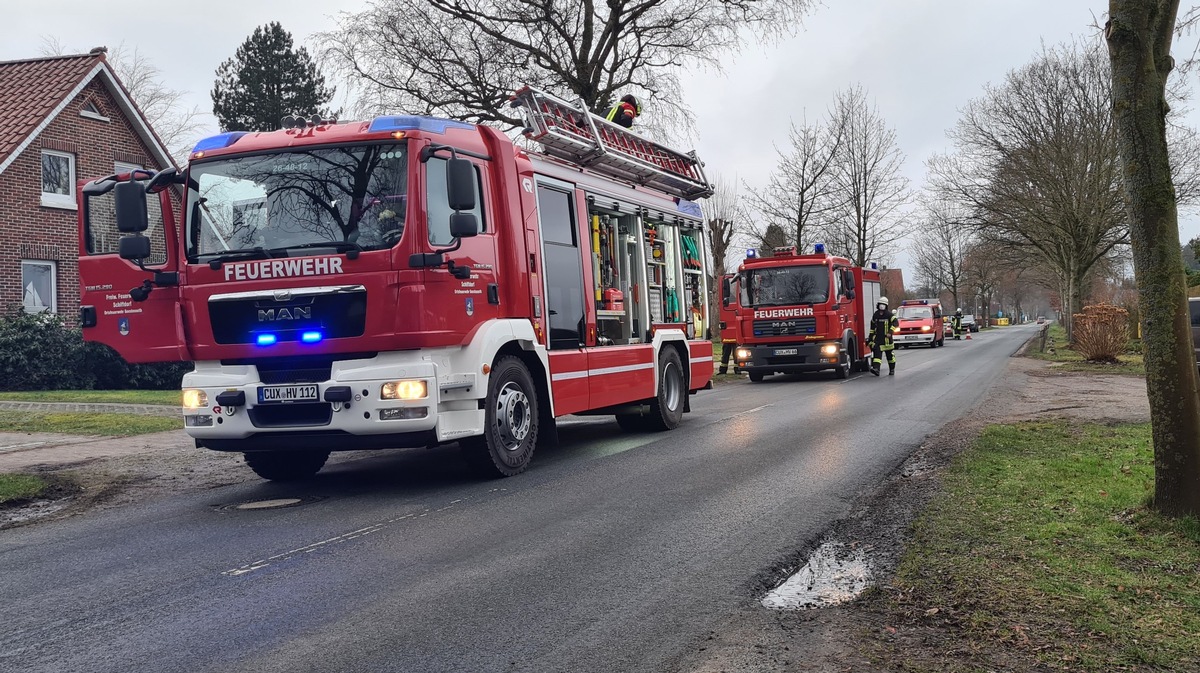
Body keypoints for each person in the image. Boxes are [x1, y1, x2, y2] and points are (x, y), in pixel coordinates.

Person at [867, 296, 899, 376]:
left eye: (883, 305)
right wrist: (870, 339)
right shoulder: (876, 315)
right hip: (878, 339)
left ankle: (892, 369)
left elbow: (896, 323)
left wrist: (890, 332)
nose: (881, 306)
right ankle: (876, 369)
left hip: (887, 340)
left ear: (886, 306)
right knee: (877, 355)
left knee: (890, 357)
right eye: (880, 304)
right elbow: (872, 328)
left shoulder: (889, 315)